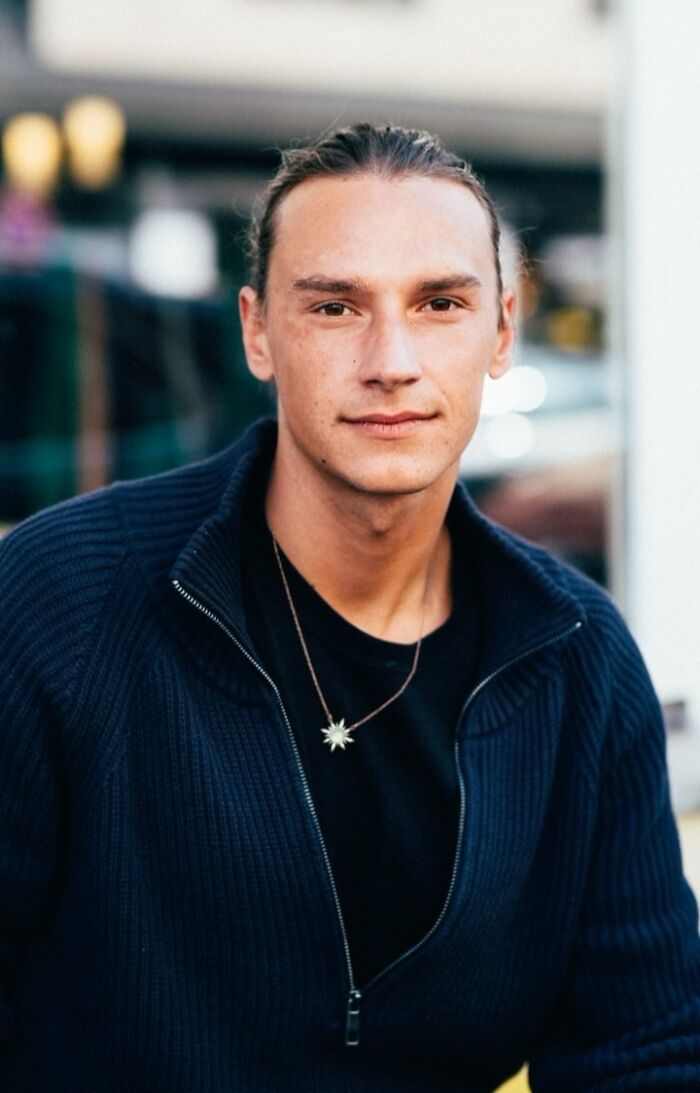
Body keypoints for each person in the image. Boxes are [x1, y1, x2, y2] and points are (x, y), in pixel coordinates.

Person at [1, 123, 699, 1093]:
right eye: (335, 306)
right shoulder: (60, 600)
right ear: (257, 331)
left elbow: (647, 1051)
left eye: (439, 303)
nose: (391, 360)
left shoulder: (577, 661)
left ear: (499, 333)